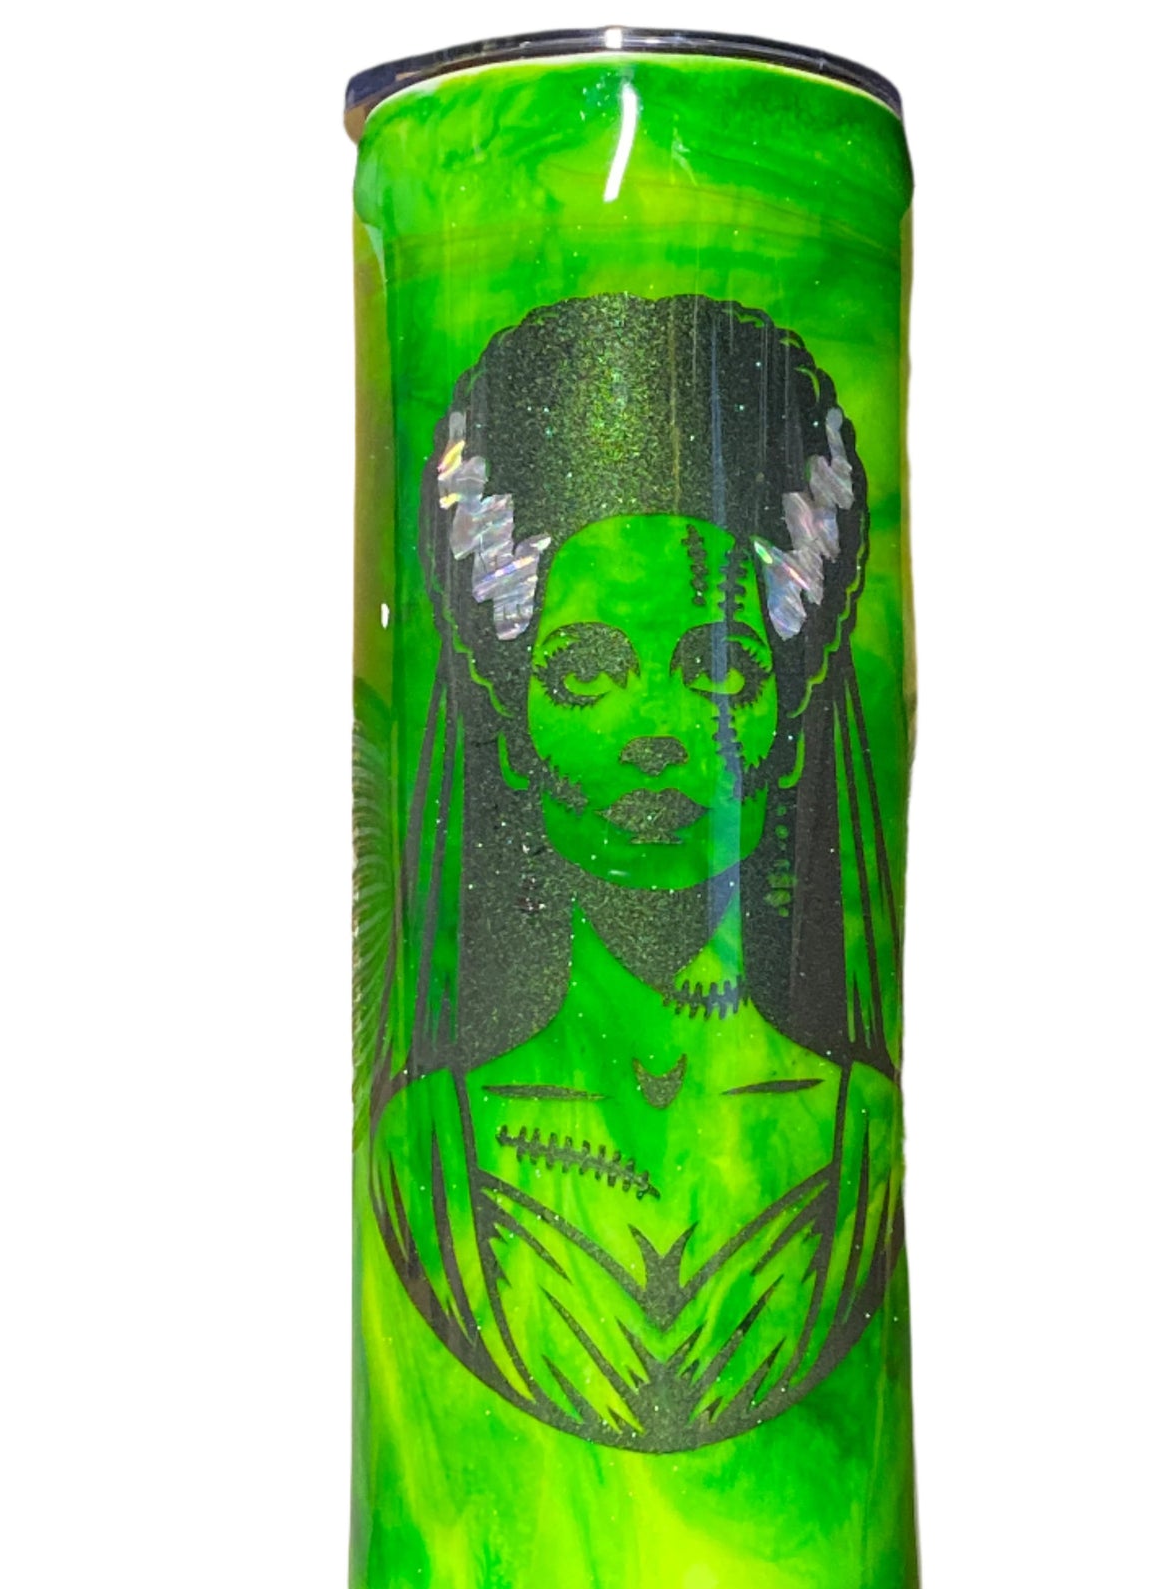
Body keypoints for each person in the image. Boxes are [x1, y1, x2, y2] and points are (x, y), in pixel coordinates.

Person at [362, 293, 903, 1452]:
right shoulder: (428, 1148)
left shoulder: (856, 1133)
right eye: (585, 670)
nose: (655, 732)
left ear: (784, 707)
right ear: (510, 714)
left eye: (716, 668)